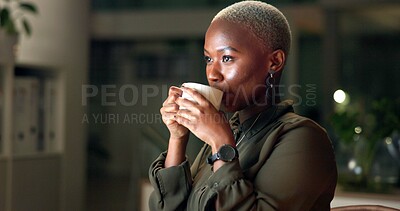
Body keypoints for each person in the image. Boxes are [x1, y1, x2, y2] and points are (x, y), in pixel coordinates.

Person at [148, 1, 337, 210]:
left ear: (274, 61)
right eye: (209, 59)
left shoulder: (304, 138)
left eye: (227, 58)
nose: (212, 74)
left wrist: (221, 143)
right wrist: (178, 137)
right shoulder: (231, 133)